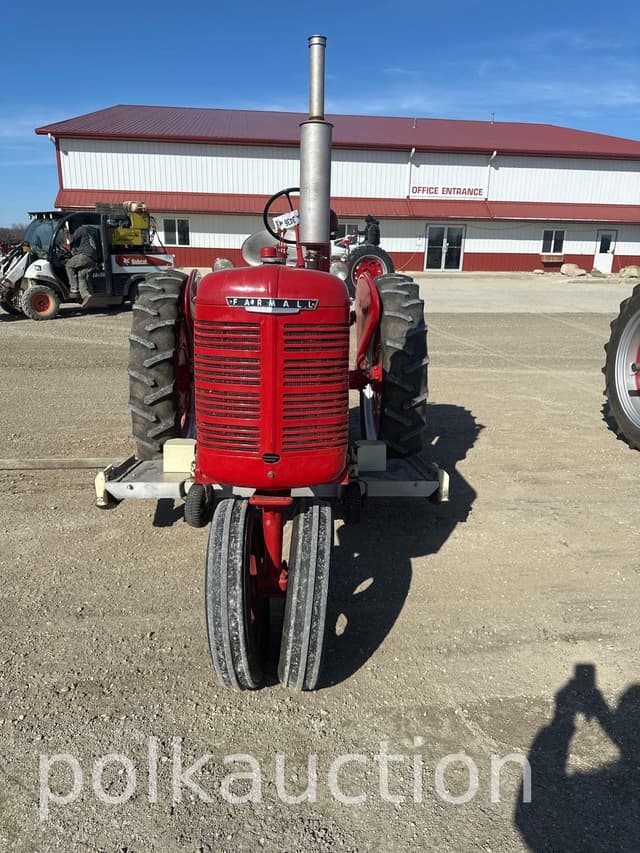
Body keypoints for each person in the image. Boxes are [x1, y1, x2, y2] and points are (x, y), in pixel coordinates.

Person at [65, 224, 98, 303]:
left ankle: (74, 288)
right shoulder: (90, 230)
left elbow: (70, 240)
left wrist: (66, 231)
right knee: (81, 276)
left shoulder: (81, 229)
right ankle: (86, 296)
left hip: (85, 255)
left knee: (68, 265)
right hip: (93, 258)